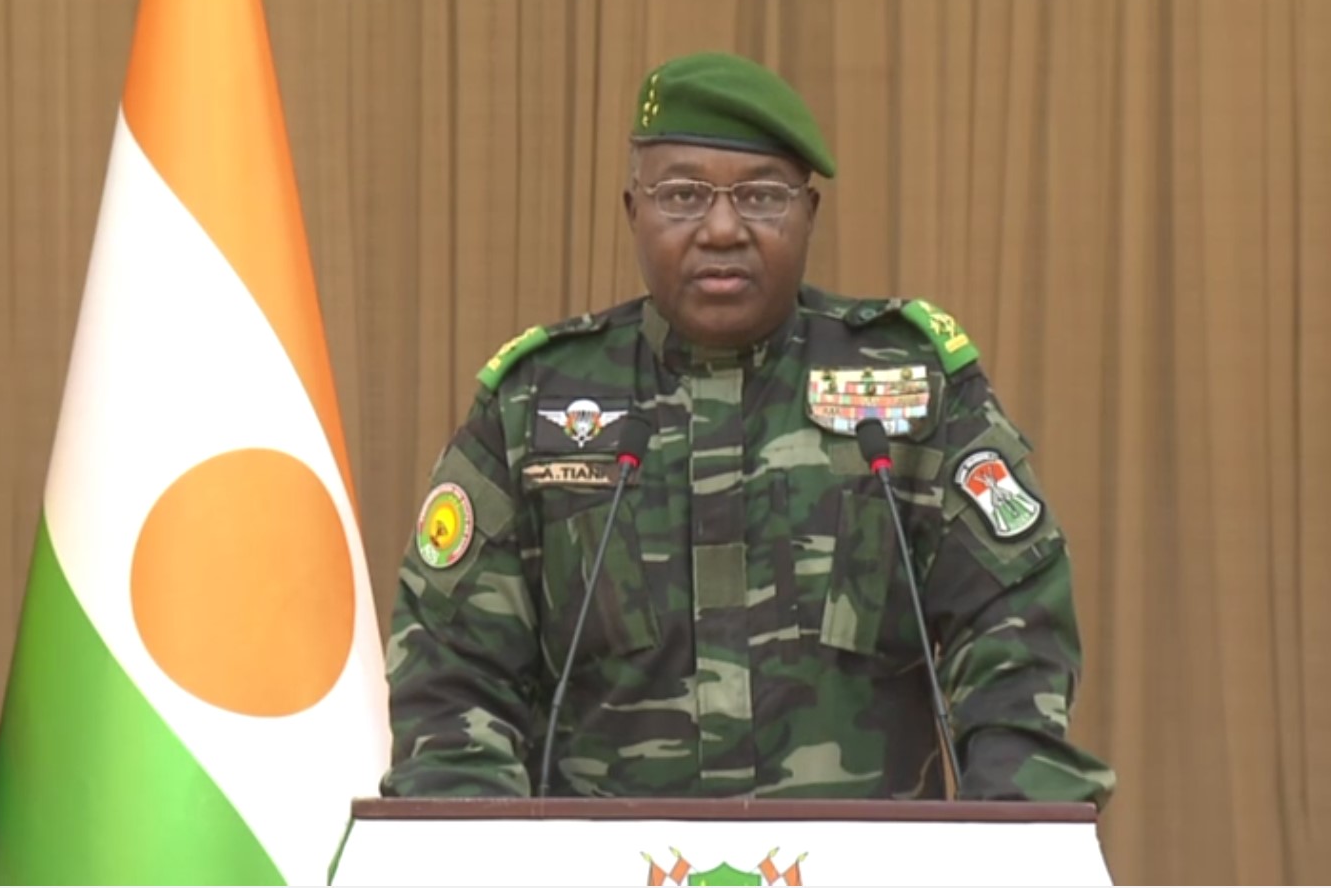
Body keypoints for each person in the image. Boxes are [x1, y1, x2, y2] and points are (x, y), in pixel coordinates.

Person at [379, 50, 1116, 805]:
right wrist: (478, 846)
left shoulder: (914, 389)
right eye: (683, 195)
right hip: (602, 860)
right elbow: (451, 668)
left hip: (865, 859)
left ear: (809, 214)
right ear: (632, 212)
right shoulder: (536, 404)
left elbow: (1012, 625)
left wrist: (1009, 835)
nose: (723, 228)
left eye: (762, 197)